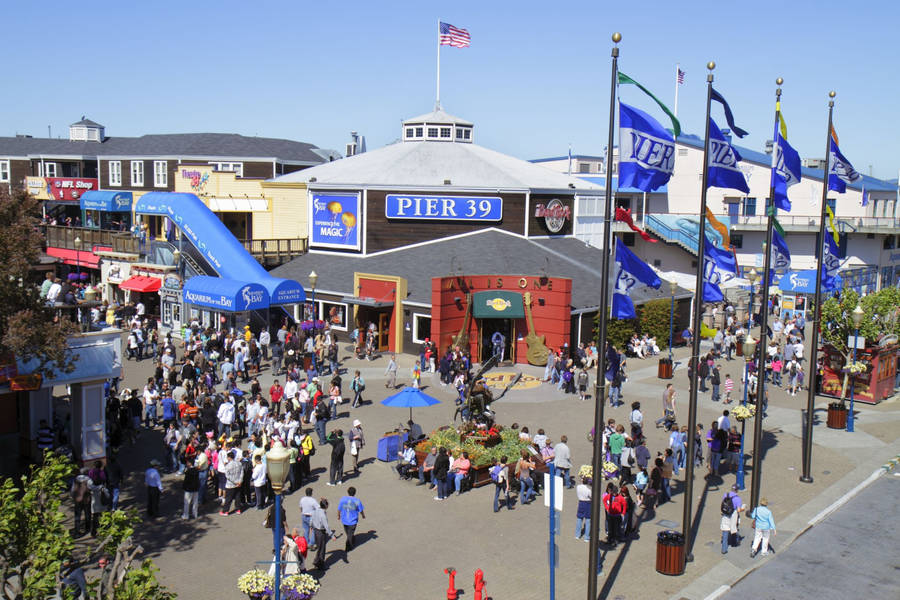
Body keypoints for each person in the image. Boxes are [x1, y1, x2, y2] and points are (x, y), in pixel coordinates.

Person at [337, 487, 366, 553]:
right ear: (355, 493)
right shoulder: (357, 501)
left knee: (348, 533)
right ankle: (350, 542)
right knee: (349, 534)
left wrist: (338, 515)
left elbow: (339, 509)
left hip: (344, 520)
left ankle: (349, 544)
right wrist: (363, 515)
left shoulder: (343, 499)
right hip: (352, 521)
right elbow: (361, 510)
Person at [311, 498, 336, 571]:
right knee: (322, 549)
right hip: (320, 532)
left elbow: (312, 519)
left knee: (319, 547)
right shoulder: (323, 515)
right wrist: (331, 535)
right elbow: (326, 526)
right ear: (326, 506)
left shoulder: (316, 510)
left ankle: (316, 561)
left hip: (315, 530)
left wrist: (311, 526)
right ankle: (320, 564)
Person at [720, 484, 746, 554]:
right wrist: (743, 508)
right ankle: (734, 542)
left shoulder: (726, 495)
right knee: (734, 528)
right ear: (737, 490)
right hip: (733, 515)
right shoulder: (738, 498)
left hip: (725, 515)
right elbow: (738, 510)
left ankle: (724, 549)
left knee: (725, 531)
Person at [574, 476, 592, 541]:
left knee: (579, 519)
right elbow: (591, 496)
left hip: (581, 503)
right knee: (588, 520)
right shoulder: (588, 490)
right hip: (587, 504)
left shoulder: (578, 487)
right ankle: (586, 537)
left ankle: (577, 535)